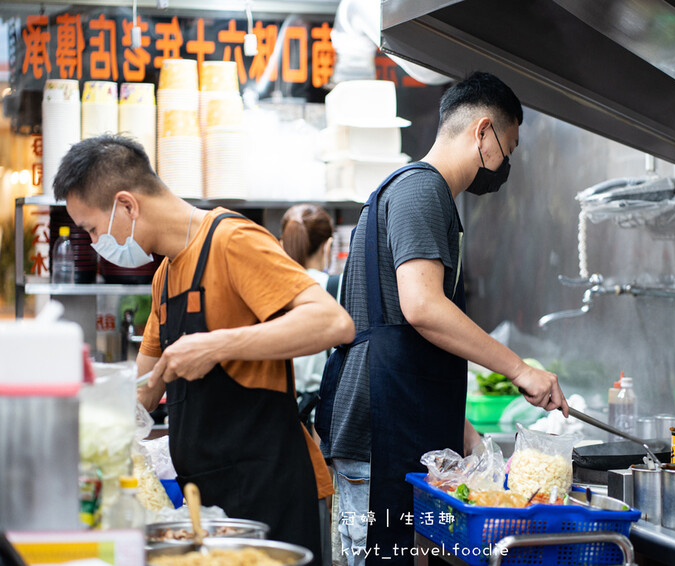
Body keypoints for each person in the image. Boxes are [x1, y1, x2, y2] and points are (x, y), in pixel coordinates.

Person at [53, 134, 355, 566]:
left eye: (93, 229)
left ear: (126, 205)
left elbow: (333, 322)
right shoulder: (166, 276)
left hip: (271, 495)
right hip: (211, 504)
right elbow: (142, 389)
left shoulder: (230, 240)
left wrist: (216, 345)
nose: (96, 241)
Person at [315, 72, 570, 566]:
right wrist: (519, 369)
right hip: (377, 434)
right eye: (508, 147)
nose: (506, 163)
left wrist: (463, 431)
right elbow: (423, 308)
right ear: (482, 133)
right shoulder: (422, 190)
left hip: (383, 423)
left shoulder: (411, 192)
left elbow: (408, 329)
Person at [280, 204, 341, 422]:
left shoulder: (272, 290)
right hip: (326, 417)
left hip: (282, 415)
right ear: (328, 246)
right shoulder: (337, 286)